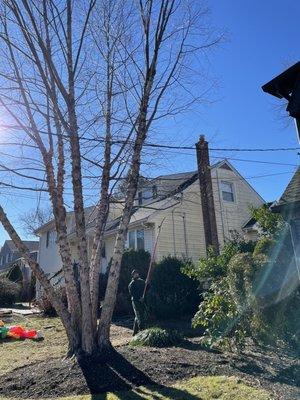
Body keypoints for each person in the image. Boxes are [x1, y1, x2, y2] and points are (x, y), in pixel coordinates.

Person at [128, 269, 146, 335]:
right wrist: (139, 298)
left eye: (137, 273)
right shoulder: (131, 284)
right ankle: (142, 331)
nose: (136, 274)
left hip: (142, 300)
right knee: (139, 316)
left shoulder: (142, 282)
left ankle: (135, 332)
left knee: (138, 315)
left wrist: (147, 283)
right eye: (135, 274)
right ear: (132, 275)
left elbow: (146, 288)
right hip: (135, 301)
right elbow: (132, 293)